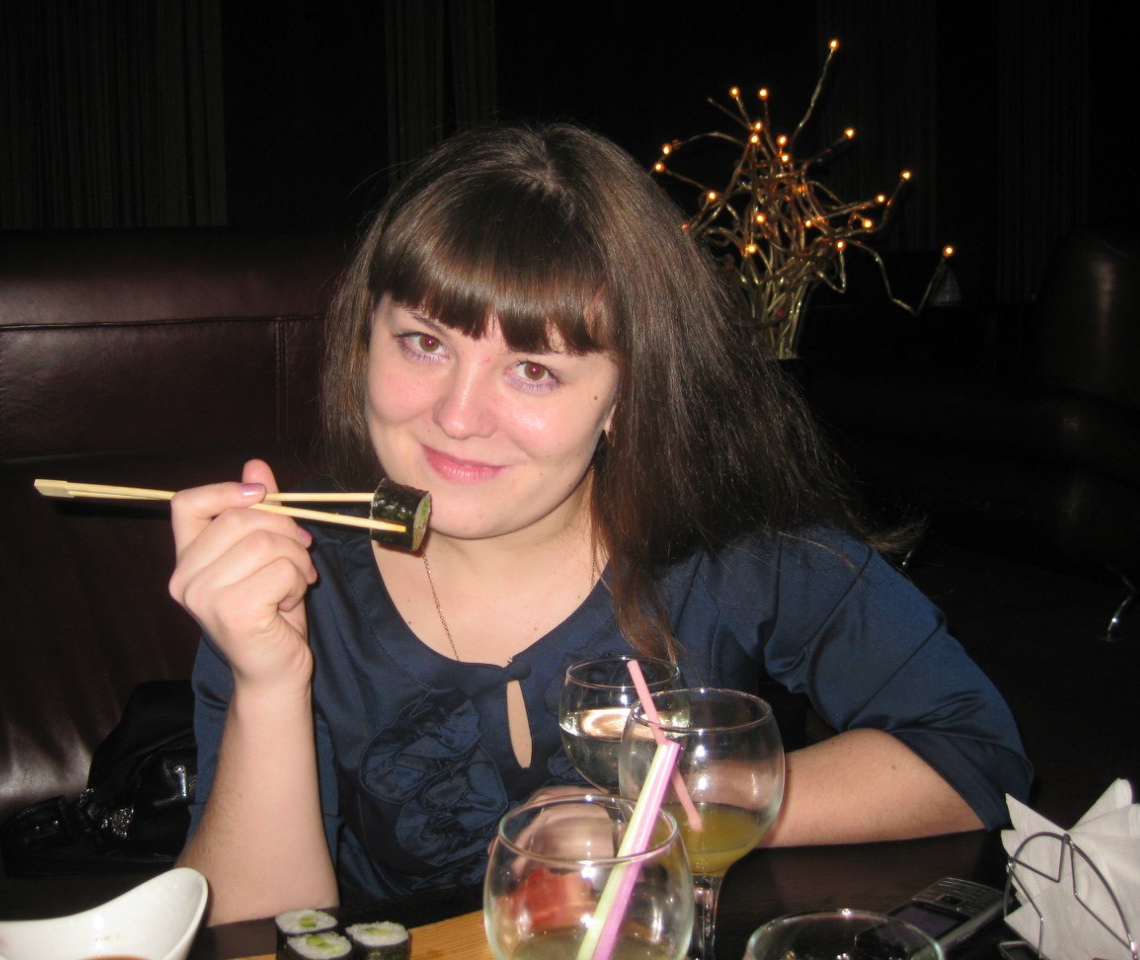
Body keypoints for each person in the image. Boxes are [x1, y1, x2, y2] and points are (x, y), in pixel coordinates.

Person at [169, 122, 1032, 923]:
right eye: (425, 343)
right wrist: (268, 682)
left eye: (534, 370)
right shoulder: (288, 573)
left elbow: (974, 754)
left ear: (627, 394)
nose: (457, 416)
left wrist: (666, 812)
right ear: (366, 340)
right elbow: (252, 935)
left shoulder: (731, 553)